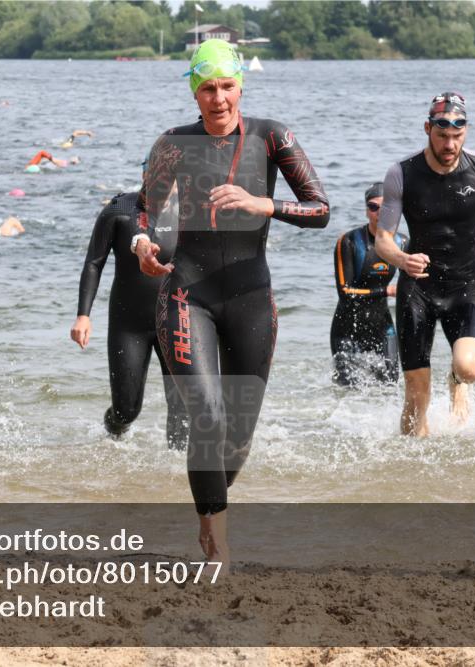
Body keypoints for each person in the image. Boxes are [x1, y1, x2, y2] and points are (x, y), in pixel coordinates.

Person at [132, 39, 330, 566]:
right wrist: (141, 245)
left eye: (226, 86)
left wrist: (262, 202)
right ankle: (215, 536)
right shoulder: (172, 143)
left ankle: (212, 505)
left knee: (239, 435)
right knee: (208, 417)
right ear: (193, 91)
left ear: (241, 84)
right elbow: (143, 210)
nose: (217, 98)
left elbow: (321, 209)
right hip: (186, 293)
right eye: (206, 88)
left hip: (250, 295)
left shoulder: (271, 136)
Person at [374, 92, 475, 436]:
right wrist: (402, 260)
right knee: (416, 398)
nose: (450, 144)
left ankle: (456, 382)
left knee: (469, 368)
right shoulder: (402, 173)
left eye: (457, 136)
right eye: (442, 136)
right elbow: (383, 239)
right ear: (427, 129)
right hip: (417, 288)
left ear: (465, 131)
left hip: (464, 286)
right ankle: (412, 474)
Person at [71, 185, 188, 450]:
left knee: (183, 406)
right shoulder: (119, 210)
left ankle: (179, 473)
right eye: (152, 174)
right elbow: (93, 262)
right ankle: (112, 436)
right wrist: (83, 316)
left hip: (177, 320)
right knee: (127, 410)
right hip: (130, 323)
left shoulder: (191, 210)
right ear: (145, 174)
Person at [331, 182, 408, 386]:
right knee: (349, 391)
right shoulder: (348, 242)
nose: (379, 212)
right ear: (367, 211)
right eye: (373, 207)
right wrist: (386, 291)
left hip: (382, 326)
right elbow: (345, 292)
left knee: (391, 385)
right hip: (347, 328)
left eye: (385, 207)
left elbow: (413, 288)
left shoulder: (402, 244)